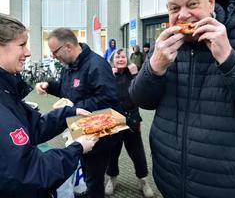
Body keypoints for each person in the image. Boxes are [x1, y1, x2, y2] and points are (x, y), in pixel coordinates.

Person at [129, 0, 235, 198]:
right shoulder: (165, 46)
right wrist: (154, 68)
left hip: (230, 186)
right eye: (174, 8)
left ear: (210, 1)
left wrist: (229, 58)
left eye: (192, 4)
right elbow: (141, 100)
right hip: (169, 181)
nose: (183, 15)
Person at [0, 14, 98, 198]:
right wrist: (76, 148)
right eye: (21, 45)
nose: (28, 52)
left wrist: (70, 112)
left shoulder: (6, 91)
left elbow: (34, 126)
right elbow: (28, 172)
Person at [35, 28, 120, 198]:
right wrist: (49, 86)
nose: (53, 56)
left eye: (54, 52)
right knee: (85, 172)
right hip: (79, 130)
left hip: (98, 134)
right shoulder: (69, 65)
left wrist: (73, 107)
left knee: (94, 180)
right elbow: (67, 88)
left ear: (68, 46)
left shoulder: (97, 65)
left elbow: (109, 99)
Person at [104, 49, 154, 197]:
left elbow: (142, 93)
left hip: (132, 119)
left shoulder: (133, 74)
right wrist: (110, 77)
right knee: (113, 153)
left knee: (137, 153)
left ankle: (143, 180)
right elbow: (104, 96)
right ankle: (112, 178)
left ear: (128, 59)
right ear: (113, 60)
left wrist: (135, 74)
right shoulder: (108, 75)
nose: (120, 59)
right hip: (113, 121)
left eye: (123, 56)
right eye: (117, 57)